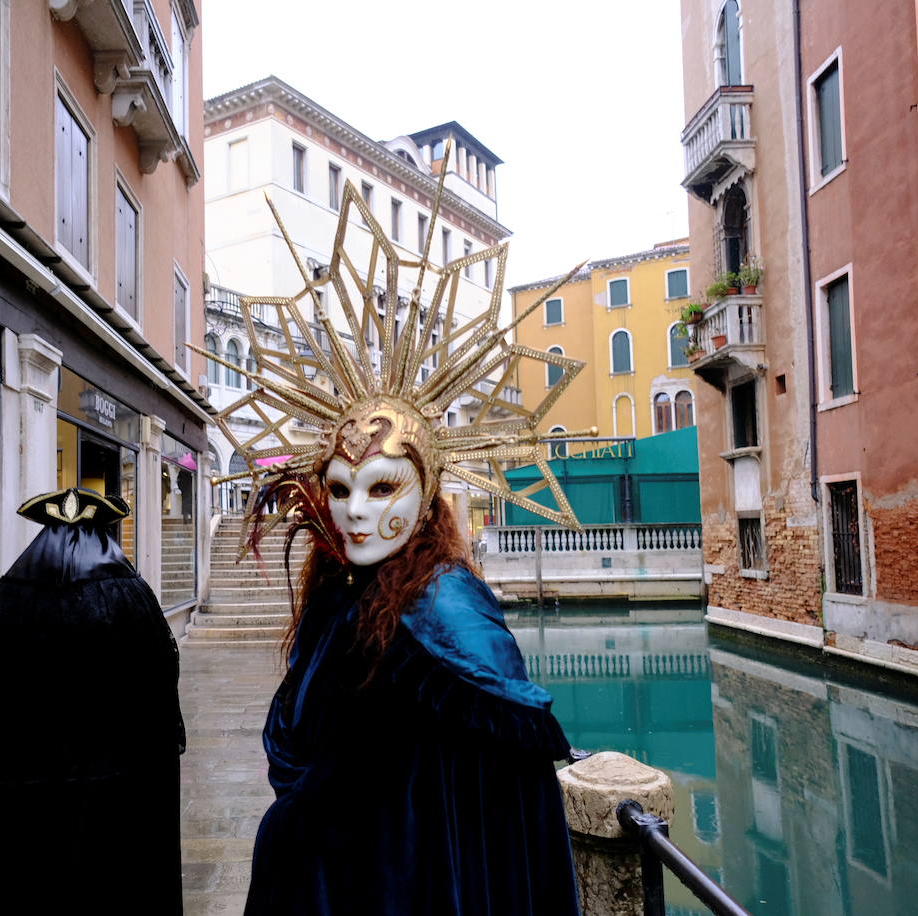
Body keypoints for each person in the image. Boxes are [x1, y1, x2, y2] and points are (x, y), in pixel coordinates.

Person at [210, 160, 589, 914]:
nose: (354, 513)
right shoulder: (344, 592)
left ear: (425, 499)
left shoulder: (451, 616)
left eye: (382, 488)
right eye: (341, 489)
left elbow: (502, 827)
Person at [0, 487, 185, 914]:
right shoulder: (131, 596)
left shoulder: (9, 596)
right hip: (114, 778)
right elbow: (161, 675)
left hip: (23, 778)